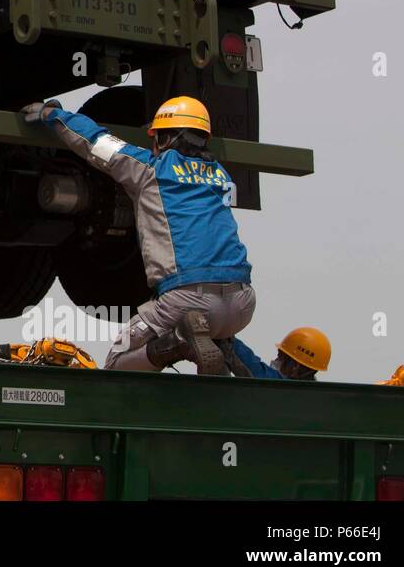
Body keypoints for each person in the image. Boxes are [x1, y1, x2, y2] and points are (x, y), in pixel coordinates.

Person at [22, 94, 254, 374]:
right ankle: (221, 347)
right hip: (242, 304)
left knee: (118, 362)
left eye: (156, 137)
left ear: (167, 138)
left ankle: (179, 344)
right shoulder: (222, 177)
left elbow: (96, 142)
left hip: (187, 300)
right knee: (207, 329)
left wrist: (54, 115)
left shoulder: (150, 170)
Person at [229, 327, 330, 380]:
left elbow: (251, 364)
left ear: (295, 367)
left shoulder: (278, 385)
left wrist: (227, 338)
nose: (276, 360)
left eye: (281, 356)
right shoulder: (314, 397)